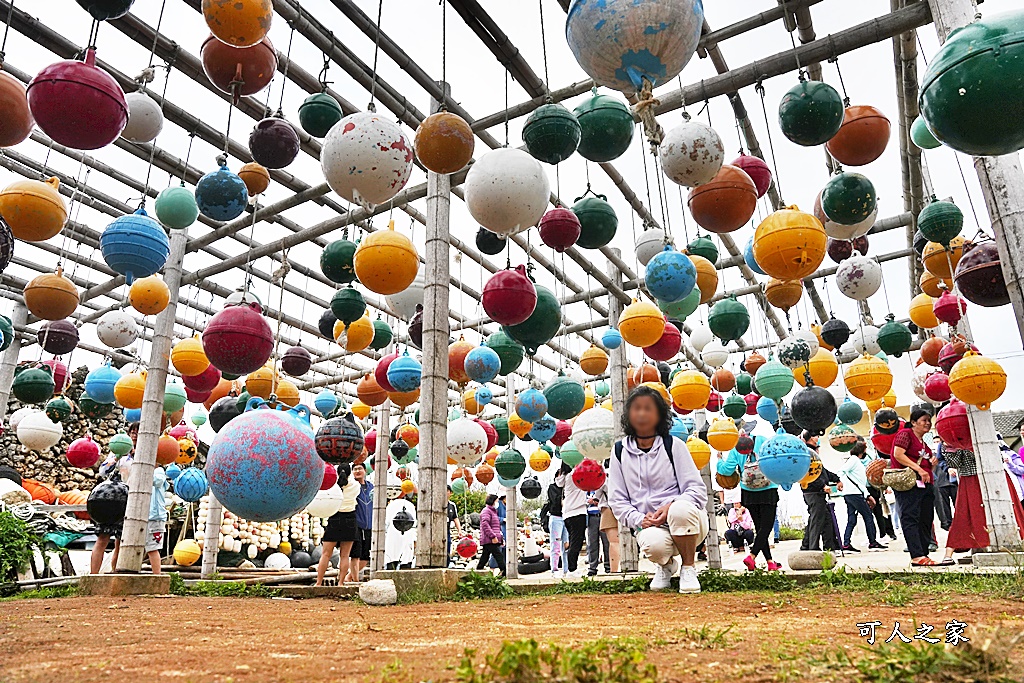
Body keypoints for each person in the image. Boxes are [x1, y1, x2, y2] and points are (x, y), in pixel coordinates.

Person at [607, 386, 708, 593]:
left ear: (659, 415)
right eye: (636, 408)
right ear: (628, 415)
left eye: (648, 408)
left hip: (688, 521)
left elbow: (696, 490)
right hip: (650, 524)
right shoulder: (619, 452)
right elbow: (617, 500)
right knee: (654, 546)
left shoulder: (674, 446)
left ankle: (688, 568)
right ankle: (666, 565)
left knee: (680, 510)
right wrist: (638, 519)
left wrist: (670, 507)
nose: (642, 413)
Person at [938, 446, 1024, 565]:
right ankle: (950, 552)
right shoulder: (952, 438)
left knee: (1006, 510)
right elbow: (954, 464)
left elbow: (998, 456)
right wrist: (952, 448)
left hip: (993, 475)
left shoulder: (987, 434)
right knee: (966, 513)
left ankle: (1014, 541)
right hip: (970, 478)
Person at [720, 431, 780, 571]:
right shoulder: (763, 440)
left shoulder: (736, 447)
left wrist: (719, 461)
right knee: (766, 527)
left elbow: (727, 470)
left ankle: (770, 562)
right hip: (768, 489)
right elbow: (775, 458)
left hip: (749, 493)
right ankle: (751, 556)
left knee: (760, 529)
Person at [890, 408, 937, 566]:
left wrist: (931, 464)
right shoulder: (905, 434)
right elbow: (898, 454)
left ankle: (924, 553)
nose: (927, 423)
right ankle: (916, 555)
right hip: (909, 483)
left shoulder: (924, 443)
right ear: (914, 422)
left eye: (929, 420)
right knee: (910, 517)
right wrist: (919, 469)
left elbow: (926, 462)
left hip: (925, 484)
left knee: (926, 518)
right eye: (924, 420)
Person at [316, 464, 359, 586]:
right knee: (345, 555)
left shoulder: (333, 486)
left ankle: (318, 582)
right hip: (350, 519)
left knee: (325, 554)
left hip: (335, 517)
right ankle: (341, 582)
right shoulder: (356, 486)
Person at [840, 441, 887, 552]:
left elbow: (859, 480)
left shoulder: (856, 461)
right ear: (863, 450)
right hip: (855, 494)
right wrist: (841, 482)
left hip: (850, 494)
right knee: (868, 516)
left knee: (852, 519)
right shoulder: (854, 460)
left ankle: (846, 544)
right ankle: (872, 543)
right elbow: (841, 471)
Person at [799, 432, 842, 552]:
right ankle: (813, 548)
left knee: (825, 520)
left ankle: (827, 547)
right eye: (815, 436)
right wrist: (822, 485)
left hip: (818, 491)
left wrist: (836, 479)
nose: (818, 438)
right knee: (816, 520)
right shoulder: (807, 453)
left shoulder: (814, 452)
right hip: (812, 492)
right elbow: (809, 474)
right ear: (810, 438)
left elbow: (822, 471)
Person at [555, 461, 589, 577]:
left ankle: (571, 569)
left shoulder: (565, 477)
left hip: (568, 514)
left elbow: (559, 482)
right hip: (578, 512)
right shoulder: (575, 474)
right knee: (576, 543)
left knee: (573, 541)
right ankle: (572, 570)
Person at [347, 463, 373, 582]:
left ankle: (349, 577)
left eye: (360, 469)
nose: (357, 471)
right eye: (355, 469)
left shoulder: (372, 487)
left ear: (365, 471)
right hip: (356, 524)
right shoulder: (352, 487)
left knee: (366, 556)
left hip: (370, 525)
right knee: (355, 554)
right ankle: (355, 580)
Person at [540, 476, 567, 577]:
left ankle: (566, 569)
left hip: (567, 517)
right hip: (556, 518)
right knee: (555, 545)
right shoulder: (552, 487)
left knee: (566, 545)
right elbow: (555, 501)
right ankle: (554, 569)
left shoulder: (568, 487)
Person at [146, 465, 169, 574]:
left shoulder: (159, 471)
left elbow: (157, 481)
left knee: (152, 548)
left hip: (155, 517)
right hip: (142, 515)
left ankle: (157, 577)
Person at [477, 493, 506, 575]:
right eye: (496, 501)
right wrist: (492, 536)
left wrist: (500, 538)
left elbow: (496, 526)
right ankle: (504, 571)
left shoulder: (493, 512)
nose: (498, 503)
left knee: (485, 556)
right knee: (498, 555)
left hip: (491, 538)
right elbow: (485, 524)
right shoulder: (486, 511)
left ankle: (478, 570)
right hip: (489, 539)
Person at [933, 442, 958, 531]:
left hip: (954, 481)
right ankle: (947, 524)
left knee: (958, 503)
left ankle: (960, 522)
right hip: (941, 482)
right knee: (943, 505)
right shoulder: (937, 451)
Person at [597, 482, 620, 573]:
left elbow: (597, 493)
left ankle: (614, 570)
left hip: (609, 508)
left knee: (614, 542)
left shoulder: (603, 475)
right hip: (628, 506)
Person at [585, 486, 603, 576]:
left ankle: (608, 566)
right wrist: (589, 501)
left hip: (603, 514)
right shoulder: (587, 489)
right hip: (591, 517)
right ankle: (592, 567)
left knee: (606, 542)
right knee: (592, 543)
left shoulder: (603, 485)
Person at [445, 486, 462, 567]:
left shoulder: (452, 505)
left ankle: (446, 565)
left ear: (450, 493)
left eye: (447, 491)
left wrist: (459, 530)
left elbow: (455, 518)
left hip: (447, 530)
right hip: (436, 530)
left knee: (448, 545)